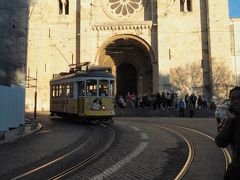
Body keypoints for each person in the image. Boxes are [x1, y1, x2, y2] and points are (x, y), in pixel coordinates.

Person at [215, 86, 240, 179]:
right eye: (233, 99)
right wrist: (230, 120)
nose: (236, 101)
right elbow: (220, 142)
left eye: (239, 98)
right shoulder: (229, 120)